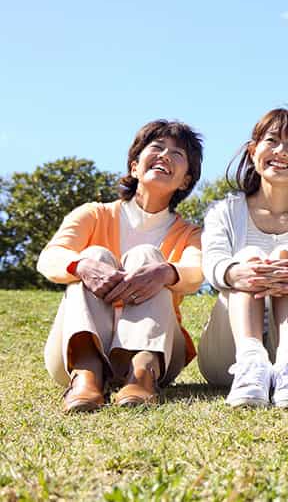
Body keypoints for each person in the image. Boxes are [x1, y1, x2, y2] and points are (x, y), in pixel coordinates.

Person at [39, 120, 205, 412]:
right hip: (75, 348)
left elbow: (197, 272)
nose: (165, 155)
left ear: (185, 181)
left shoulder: (191, 234)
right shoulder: (93, 214)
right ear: (134, 167)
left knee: (147, 257)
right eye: (156, 147)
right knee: (94, 255)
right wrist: (82, 265)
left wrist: (166, 271)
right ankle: (87, 374)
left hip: (159, 351)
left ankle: (141, 372)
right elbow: (50, 257)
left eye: (177, 154)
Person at [198, 108, 288, 408]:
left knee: (286, 258)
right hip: (228, 356)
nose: (281, 151)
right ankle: (251, 365)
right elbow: (212, 261)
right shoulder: (223, 211)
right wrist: (235, 273)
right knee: (249, 256)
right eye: (272, 141)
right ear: (253, 151)